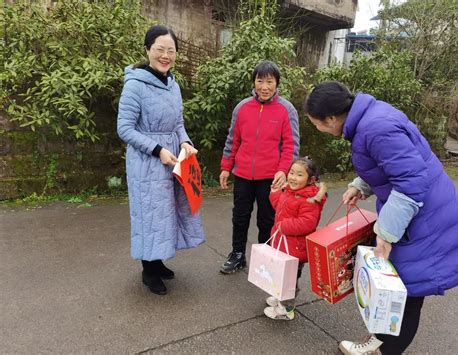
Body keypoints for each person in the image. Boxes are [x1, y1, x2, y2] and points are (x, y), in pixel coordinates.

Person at [304, 81, 458, 355]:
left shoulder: (375, 128)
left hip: (423, 220)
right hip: (418, 212)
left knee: (405, 293)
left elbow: (410, 182)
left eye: (317, 124)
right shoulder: (372, 117)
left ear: (332, 118)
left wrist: (386, 234)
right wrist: (361, 185)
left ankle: (385, 350)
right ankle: (380, 341)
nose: (318, 129)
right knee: (394, 290)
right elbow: (394, 165)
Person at [117, 25, 205, 295]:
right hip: (147, 162)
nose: (166, 55)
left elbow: (178, 122)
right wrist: (157, 149)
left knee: (167, 212)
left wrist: (185, 142)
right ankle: (149, 271)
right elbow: (125, 128)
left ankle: (159, 260)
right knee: (149, 214)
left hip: (174, 159)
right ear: (147, 50)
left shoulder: (173, 84)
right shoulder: (135, 85)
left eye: (171, 50)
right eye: (160, 49)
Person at [219, 60, 300, 274]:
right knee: (240, 216)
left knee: (267, 219)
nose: (264, 86)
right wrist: (226, 167)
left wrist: (284, 170)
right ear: (254, 82)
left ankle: (265, 257)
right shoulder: (242, 108)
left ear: (277, 83)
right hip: (243, 174)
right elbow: (232, 140)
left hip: (271, 177)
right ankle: (237, 254)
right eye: (260, 80)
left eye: (270, 81)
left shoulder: (286, 109)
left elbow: (291, 145)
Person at [264, 157, 327, 320]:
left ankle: (286, 309)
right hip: (283, 243)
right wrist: (275, 192)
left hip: (295, 249)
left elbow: (307, 223)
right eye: (291, 172)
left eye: (299, 175)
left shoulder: (309, 199)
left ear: (311, 180)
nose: (293, 177)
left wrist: (284, 226)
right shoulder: (290, 192)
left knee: (289, 280)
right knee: (280, 274)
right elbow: (279, 206)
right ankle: (280, 297)